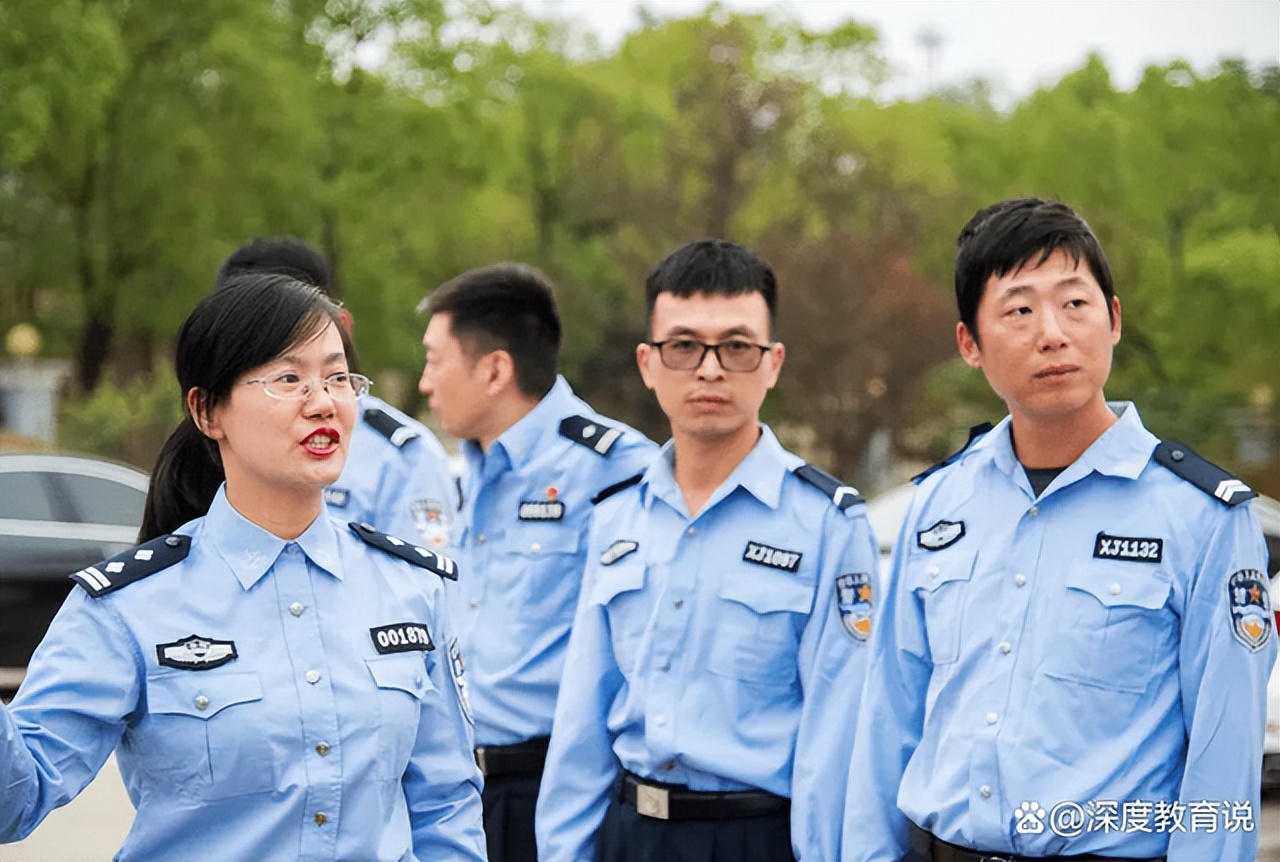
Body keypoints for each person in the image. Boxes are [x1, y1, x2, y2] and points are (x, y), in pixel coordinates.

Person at [842, 198, 1276, 862]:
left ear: (1114, 319)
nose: (1052, 333)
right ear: (969, 344)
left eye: (1075, 303)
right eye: (1018, 311)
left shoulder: (1204, 518)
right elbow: (886, 723)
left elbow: (1224, 763)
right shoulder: (938, 506)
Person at [0, 274, 485, 861]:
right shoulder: (129, 607)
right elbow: (15, 799)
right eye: (288, 379)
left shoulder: (411, 588)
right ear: (207, 410)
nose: (323, 402)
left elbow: (445, 805)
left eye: (338, 377)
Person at [535, 239, 879, 862]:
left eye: (737, 347)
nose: (710, 370)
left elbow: (838, 734)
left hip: (755, 836)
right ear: (648, 363)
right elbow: (583, 713)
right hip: (630, 834)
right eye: (685, 346)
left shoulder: (827, 523)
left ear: (773, 363)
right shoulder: (617, 516)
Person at [416, 262, 657, 862]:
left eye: (435, 361)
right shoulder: (471, 467)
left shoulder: (614, 467)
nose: (424, 383)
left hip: (550, 788)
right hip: (458, 791)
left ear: (495, 369)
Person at [218, 237, 457, 550]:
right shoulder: (209, 446)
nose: (318, 406)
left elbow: (420, 575)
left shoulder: (404, 458)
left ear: (341, 326)